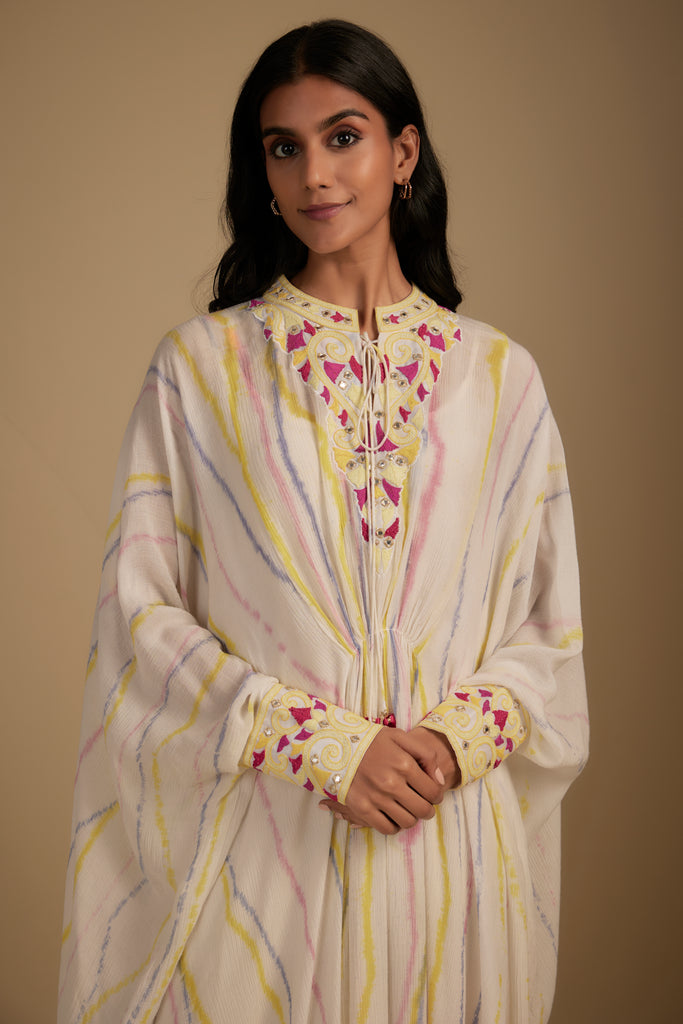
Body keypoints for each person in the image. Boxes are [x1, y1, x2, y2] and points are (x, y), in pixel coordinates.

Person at [58, 19, 588, 1024]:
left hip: (447, 851)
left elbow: (545, 632)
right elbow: (141, 617)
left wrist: (443, 747)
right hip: (270, 846)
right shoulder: (200, 370)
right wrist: (322, 746)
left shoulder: (499, 379)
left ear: (403, 152)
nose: (314, 174)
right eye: (283, 147)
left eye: (343, 137)